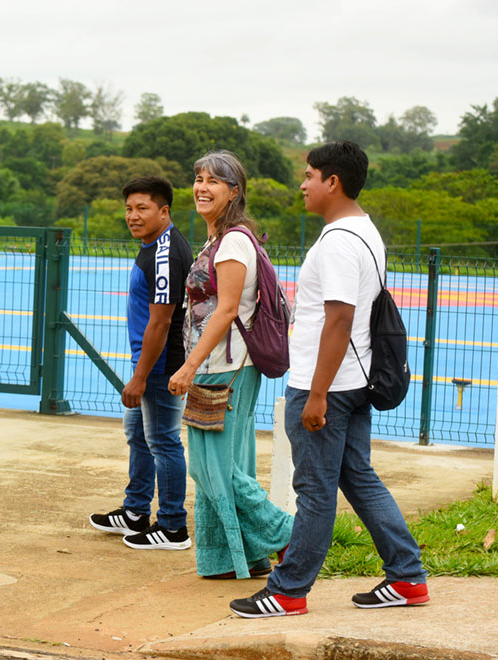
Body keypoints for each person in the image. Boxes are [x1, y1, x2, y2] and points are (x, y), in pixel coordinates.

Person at [230, 141, 428, 618]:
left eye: (309, 175)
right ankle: (407, 577)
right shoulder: (365, 231)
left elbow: (339, 319)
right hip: (354, 379)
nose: (302, 184)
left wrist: (316, 395)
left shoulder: (338, 241)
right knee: (357, 477)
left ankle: (289, 589)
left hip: (329, 387)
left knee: (315, 489)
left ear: (332, 182)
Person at [168, 151, 293, 578]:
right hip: (216, 366)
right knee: (225, 464)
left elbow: (224, 312)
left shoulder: (234, 242)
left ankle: (289, 534)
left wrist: (189, 367)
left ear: (233, 192)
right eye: (198, 178)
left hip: (228, 366)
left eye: (214, 182)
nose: (202, 187)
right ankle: (235, 558)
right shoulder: (216, 241)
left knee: (210, 465)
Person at [89, 176, 194, 550]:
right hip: (149, 363)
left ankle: (172, 527)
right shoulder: (152, 245)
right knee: (138, 434)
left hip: (160, 366)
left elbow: (162, 320)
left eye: (142, 208)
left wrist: (140, 377)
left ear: (163, 211)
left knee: (164, 442)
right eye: (129, 209)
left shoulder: (164, 253)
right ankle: (135, 512)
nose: (133, 216)